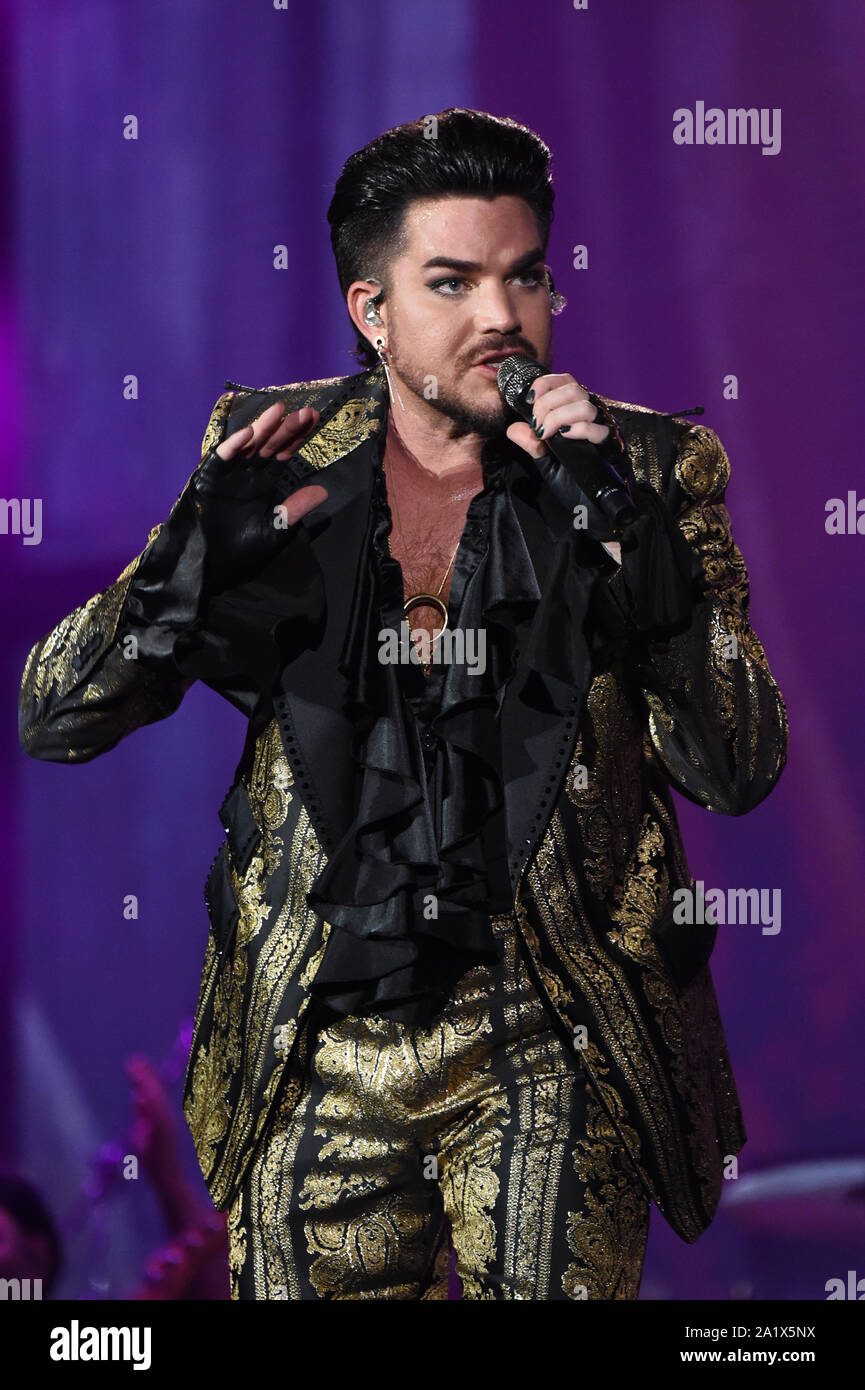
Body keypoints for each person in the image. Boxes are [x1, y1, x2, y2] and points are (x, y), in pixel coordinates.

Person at [18, 108, 788, 1301]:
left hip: (550, 1030)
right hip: (318, 1037)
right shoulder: (273, 453)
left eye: (523, 276)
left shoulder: (646, 468)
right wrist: (187, 568)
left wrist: (638, 555)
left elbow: (736, 761)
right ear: (372, 311)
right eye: (453, 281)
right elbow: (56, 716)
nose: (502, 318)